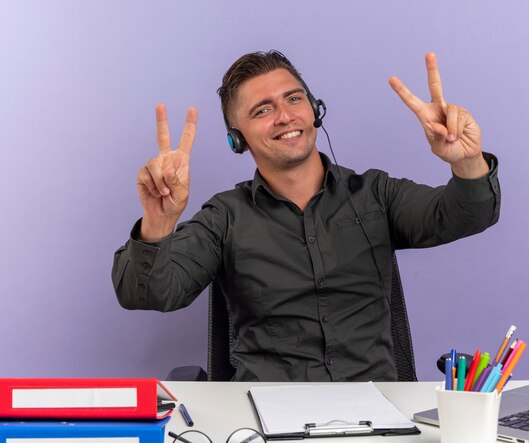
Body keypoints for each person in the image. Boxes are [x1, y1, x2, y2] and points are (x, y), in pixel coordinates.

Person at [112, 50, 500, 382]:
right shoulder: (224, 217)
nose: (284, 116)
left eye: (294, 99)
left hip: (378, 415)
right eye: (262, 110)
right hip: (266, 416)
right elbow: (148, 293)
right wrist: (160, 222)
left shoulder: (375, 194)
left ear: (315, 110)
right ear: (238, 139)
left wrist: (467, 162)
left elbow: (467, 215)